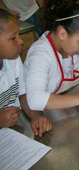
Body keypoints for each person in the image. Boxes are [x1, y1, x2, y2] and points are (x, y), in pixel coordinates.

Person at [0, 8, 52, 137]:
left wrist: (36, 116)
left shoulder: (13, 59)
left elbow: (23, 94)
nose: (20, 41)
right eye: (13, 38)